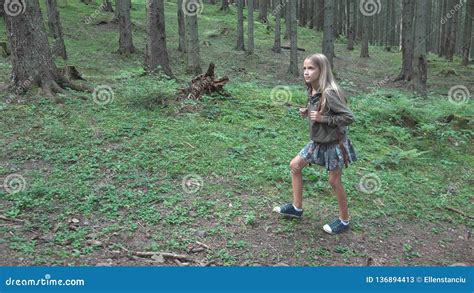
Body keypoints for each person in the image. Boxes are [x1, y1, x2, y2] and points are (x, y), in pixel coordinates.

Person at [273, 53, 357, 235]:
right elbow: (316, 108)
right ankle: (297, 208)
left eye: (311, 68)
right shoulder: (311, 89)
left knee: (334, 181)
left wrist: (323, 118)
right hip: (317, 141)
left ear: (322, 70)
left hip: (335, 144)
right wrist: (308, 111)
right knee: (295, 165)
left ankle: (344, 221)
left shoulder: (329, 92)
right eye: (304, 68)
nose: (306, 72)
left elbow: (349, 117)